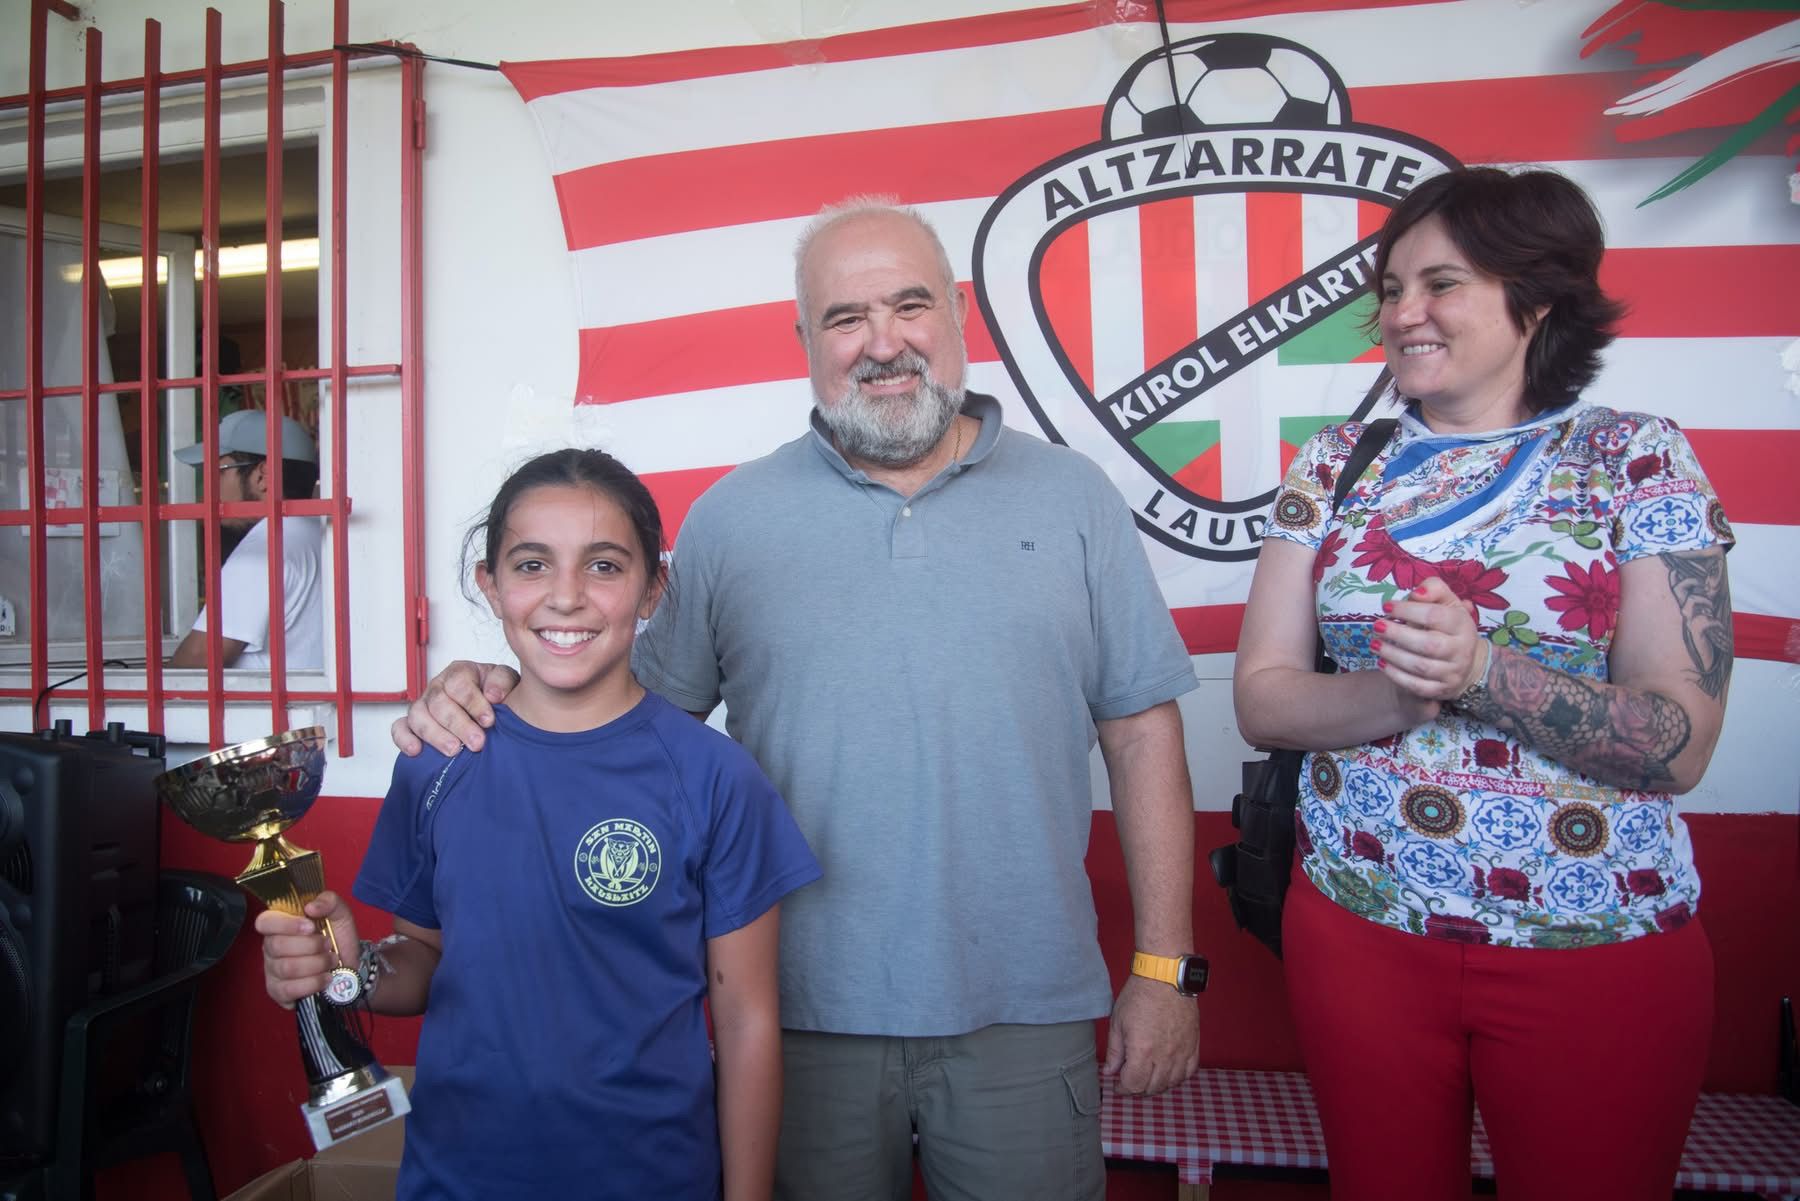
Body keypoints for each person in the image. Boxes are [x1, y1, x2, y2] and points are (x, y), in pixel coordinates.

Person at [394, 199, 1204, 1201]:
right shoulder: (733, 519)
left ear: (957, 312)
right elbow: (624, 719)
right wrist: (494, 685)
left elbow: (1142, 736)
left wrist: (1166, 970)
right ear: (805, 341)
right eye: (845, 317)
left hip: (1024, 1013)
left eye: (909, 306)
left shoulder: (1074, 498)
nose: (883, 342)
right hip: (793, 1017)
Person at [1234, 166, 1733, 1201]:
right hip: (1359, 930)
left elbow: (1679, 742)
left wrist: (1482, 671)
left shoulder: (1635, 459)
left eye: (1441, 283)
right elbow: (1263, 695)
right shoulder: (1335, 465)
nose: (1401, 312)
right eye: (1392, 286)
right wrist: (1401, 692)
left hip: (1593, 946)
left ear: (1537, 298)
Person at [259, 449, 821, 1201]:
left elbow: (747, 1020)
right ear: (489, 585)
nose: (566, 597)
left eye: (604, 566)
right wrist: (347, 969)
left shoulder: (714, 777)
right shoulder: (438, 759)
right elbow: (421, 957)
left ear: (653, 586)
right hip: (458, 1178)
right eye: (531, 565)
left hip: (654, 1177)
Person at [169, 407, 324, 669]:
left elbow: (197, 660)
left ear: (263, 476)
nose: (209, 487)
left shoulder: (264, 549)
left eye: (219, 470)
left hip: (266, 710)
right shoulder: (320, 533)